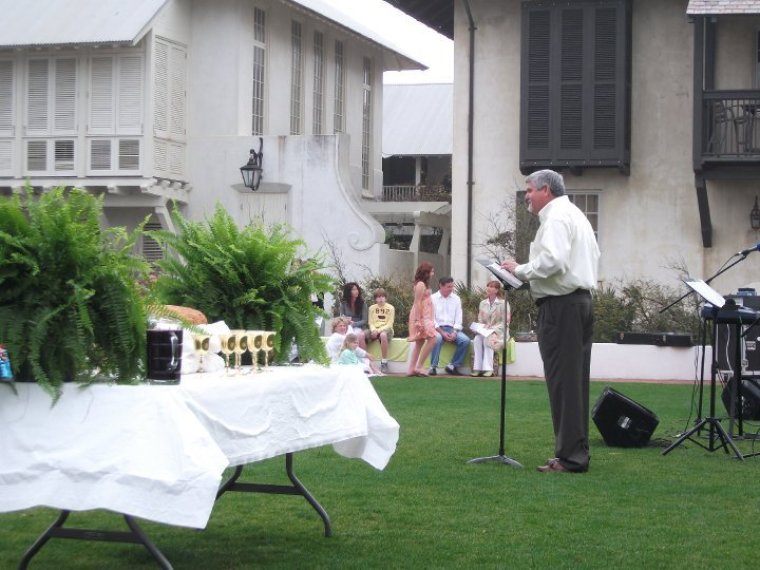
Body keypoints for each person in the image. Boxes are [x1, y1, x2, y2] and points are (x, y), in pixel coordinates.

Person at [501, 169, 599, 474]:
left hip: (561, 307)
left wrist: (520, 270)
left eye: (529, 190)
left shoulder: (556, 218)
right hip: (580, 303)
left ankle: (571, 458)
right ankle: (575, 451)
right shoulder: (576, 215)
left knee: (563, 383)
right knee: (575, 382)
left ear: (546, 190)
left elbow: (553, 261)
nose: (526, 196)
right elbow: (591, 256)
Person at [429, 276, 471, 375]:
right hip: (437, 329)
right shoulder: (432, 298)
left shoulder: (456, 298)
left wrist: (455, 332)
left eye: (452, 286)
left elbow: (458, 318)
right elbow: (431, 319)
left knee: (465, 340)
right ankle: (433, 367)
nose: (451, 289)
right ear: (441, 286)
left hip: (452, 329)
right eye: (449, 287)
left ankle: (452, 366)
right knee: (437, 339)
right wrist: (442, 332)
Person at [470, 280, 510, 377]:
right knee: (477, 339)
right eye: (488, 286)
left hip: (499, 332)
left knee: (489, 339)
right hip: (485, 330)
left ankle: (488, 368)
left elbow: (506, 321)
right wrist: (479, 328)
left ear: (496, 290)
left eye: (491, 287)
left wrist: (492, 330)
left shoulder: (503, 303)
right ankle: (477, 368)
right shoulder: (482, 303)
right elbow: (480, 319)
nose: (488, 288)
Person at [407, 262, 437, 377]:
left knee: (419, 342)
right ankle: (419, 366)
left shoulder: (423, 284)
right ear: (426, 273)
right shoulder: (420, 284)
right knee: (433, 339)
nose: (433, 273)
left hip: (427, 315)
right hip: (422, 316)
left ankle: (411, 369)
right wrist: (418, 320)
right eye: (432, 271)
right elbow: (418, 302)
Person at [367, 288, 395, 374]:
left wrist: (378, 331)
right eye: (378, 297)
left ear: (385, 297)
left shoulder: (390, 308)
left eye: (383, 296)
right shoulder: (372, 308)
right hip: (374, 329)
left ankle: (384, 362)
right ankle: (365, 362)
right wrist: (373, 330)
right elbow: (370, 322)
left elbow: (389, 324)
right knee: (361, 335)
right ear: (375, 298)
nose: (381, 299)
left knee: (383, 335)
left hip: (387, 330)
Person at [340, 282, 368, 349]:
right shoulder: (343, 304)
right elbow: (341, 318)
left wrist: (354, 324)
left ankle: (359, 356)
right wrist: (346, 321)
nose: (356, 291)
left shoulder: (363, 304)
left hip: (359, 327)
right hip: (346, 326)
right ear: (348, 292)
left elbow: (365, 320)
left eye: (357, 289)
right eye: (353, 290)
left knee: (354, 335)